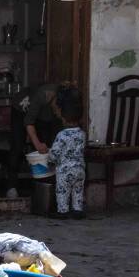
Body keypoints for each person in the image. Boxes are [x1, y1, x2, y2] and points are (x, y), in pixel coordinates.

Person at [48, 87, 86, 219]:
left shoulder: (61, 135)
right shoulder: (82, 134)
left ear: (63, 117)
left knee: (62, 191)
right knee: (78, 191)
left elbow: (55, 153)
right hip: (80, 170)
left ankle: (62, 211)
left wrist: (50, 160)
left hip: (65, 171)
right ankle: (77, 211)